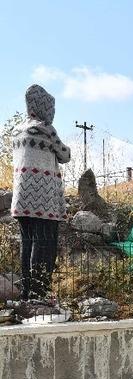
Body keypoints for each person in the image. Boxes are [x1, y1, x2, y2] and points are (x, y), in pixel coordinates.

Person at [10, 85, 70, 300]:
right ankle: (39, 293)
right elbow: (65, 155)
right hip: (44, 202)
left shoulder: (17, 131)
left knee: (26, 246)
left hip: (21, 201)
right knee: (44, 245)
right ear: (45, 107)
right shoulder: (46, 129)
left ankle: (27, 293)